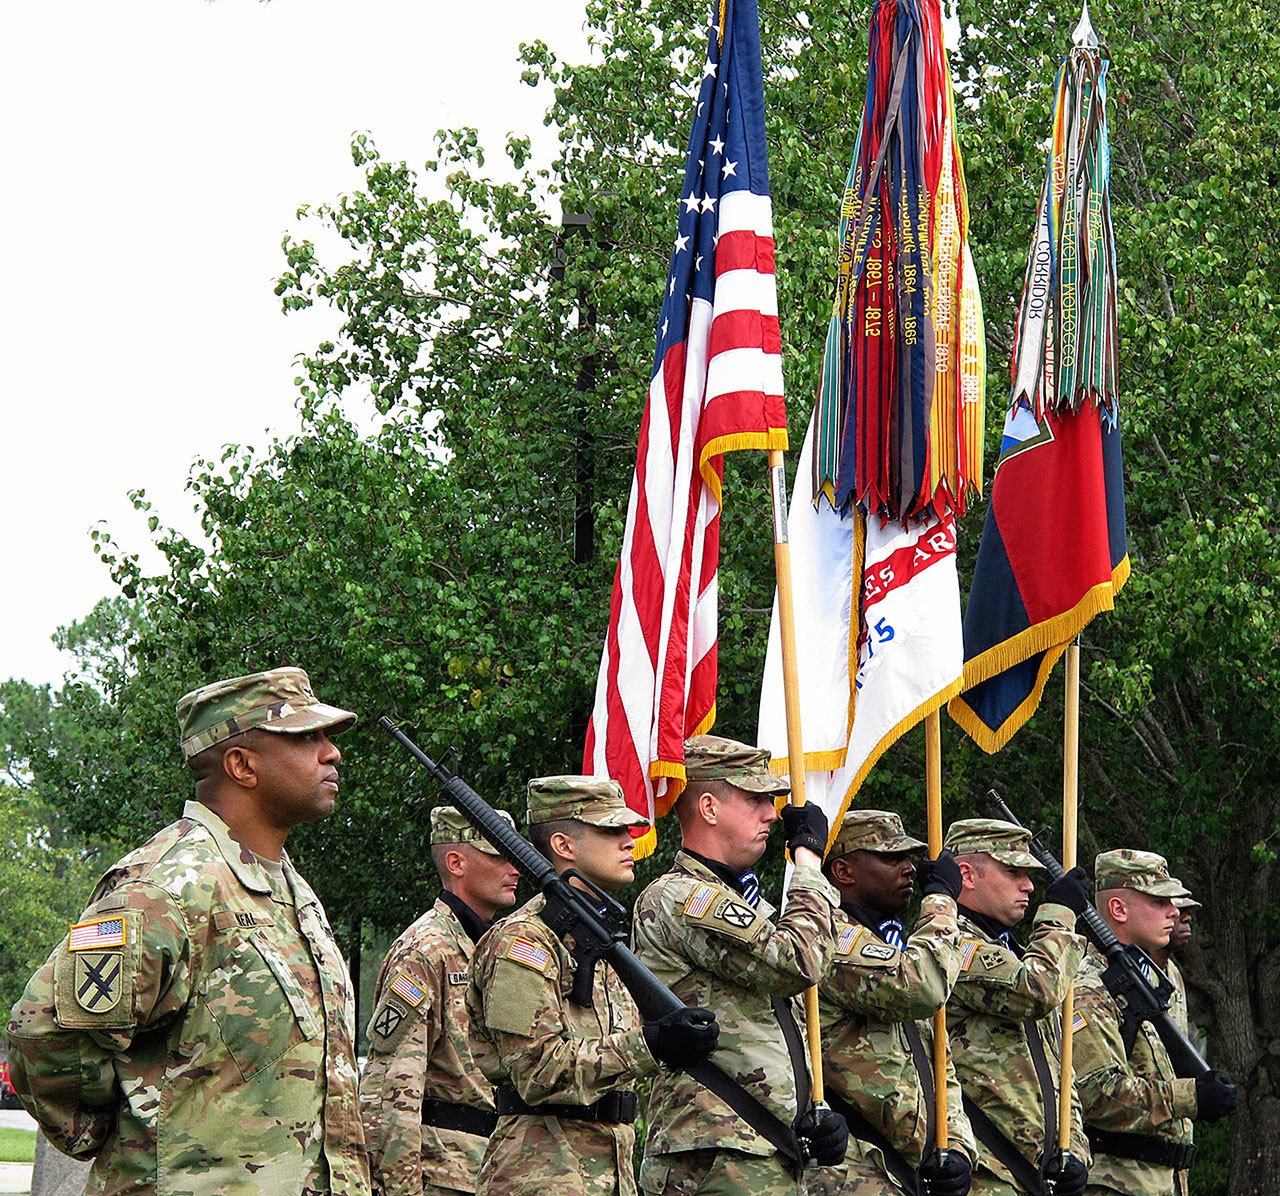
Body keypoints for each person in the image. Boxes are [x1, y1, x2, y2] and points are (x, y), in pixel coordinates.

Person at [6, 666, 369, 1195]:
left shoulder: (290, 889)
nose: (331, 752)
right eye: (306, 737)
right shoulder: (167, 888)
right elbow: (44, 1036)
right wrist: (133, 1136)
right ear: (241, 765)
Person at [465, 775, 719, 1196]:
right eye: (611, 830)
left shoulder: (602, 941)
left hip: (610, 1172)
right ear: (564, 845)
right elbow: (538, 1071)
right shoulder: (523, 943)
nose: (629, 841)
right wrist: (651, 1045)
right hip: (540, 1176)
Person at [633, 733, 848, 1196]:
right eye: (756, 799)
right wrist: (808, 866)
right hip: (716, 1153)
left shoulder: (745, 905)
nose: (772, 814)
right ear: (708, 808)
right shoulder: (683, 897)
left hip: (759, 1148)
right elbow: (799, 959)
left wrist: (814, 1110)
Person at [810, 809, 976, 1196]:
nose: (909, 869)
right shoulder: (830, 937)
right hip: (855, 1170)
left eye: (908, 858)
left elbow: (939, 1061)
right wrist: (939, 902)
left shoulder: (892, 944)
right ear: (843, 871)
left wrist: (958, 1146)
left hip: (913, 1172)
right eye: (890, 858)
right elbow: (920, 986)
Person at [361, 805, 521, 1195]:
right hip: (445, 1177)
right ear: (456, 862)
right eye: (500, 854)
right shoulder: (425, 952)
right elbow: (391, 1091)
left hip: (496, 1169)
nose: (514, 866)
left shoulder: (498, 947)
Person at [1072, 850, 1237, 1196]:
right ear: (1118, 909)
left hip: (1165, 1180)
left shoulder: (1156, 979)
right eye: (1159, 900)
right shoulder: (1089, 985)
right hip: (1115, 1183)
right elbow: (1097, 1096)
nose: (1175, 911)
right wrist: (1192, 1096)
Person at [943, 818, 1091, 1196]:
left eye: (1028, 873)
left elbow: (1058, 1065)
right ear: (966, 874)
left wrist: (1074, 1147)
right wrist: (1058, 916)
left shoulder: (1013, 950)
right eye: (1013, 871)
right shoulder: (951, 945)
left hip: (1038, 1173)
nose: (1028, 885)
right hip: (988, 1171)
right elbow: (1035, 990)